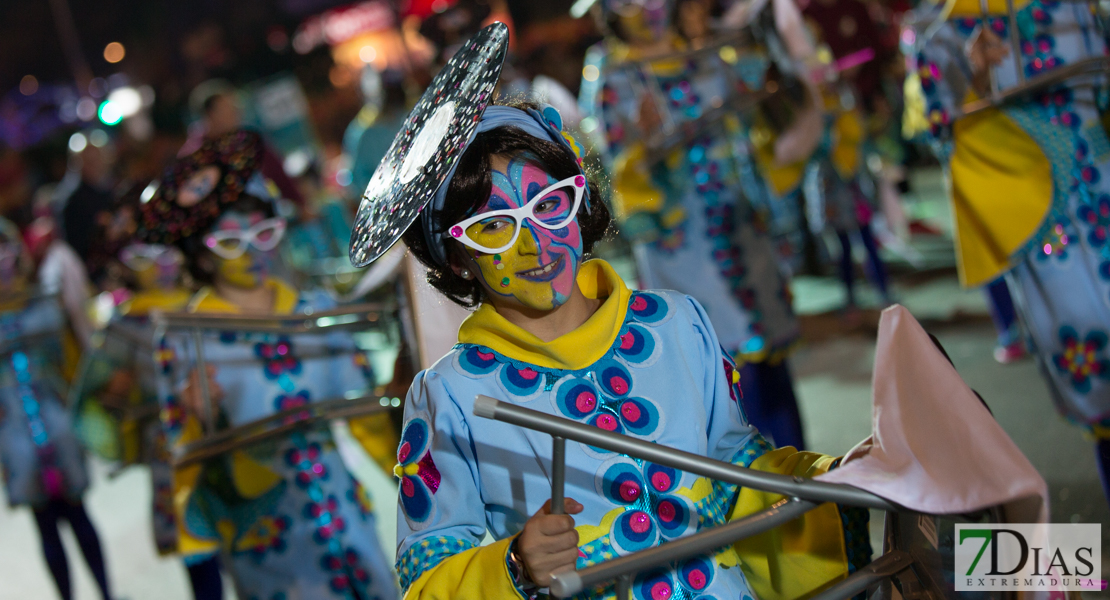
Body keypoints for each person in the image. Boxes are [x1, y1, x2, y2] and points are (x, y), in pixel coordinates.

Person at [348, 33, 869, 592]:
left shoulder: (677, 324)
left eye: (549, 205)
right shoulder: (447, 396)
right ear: (456, 259)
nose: (537, 243)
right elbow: (426, 577)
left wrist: (832, 477)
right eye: (494, 227)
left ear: (579, 201)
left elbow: (740, 474)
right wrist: (515, 567)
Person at [139, 130, 399, 600]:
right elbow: (180, 457)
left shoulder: (314, 310)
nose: (253, 251)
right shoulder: (184, 338)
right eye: (229, 240)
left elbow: (370, 420)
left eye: (262, 232)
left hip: (347, 521)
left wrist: (421, 486)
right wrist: (198, 423)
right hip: (266, 546)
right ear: (200, 250)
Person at [906, 0, 1110, 502]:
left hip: (1102, 192)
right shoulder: (945, 35)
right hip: (1042, 230)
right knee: (1102, 393)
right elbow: (938, 129)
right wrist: (969, 76)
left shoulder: (1077, 9)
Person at [580, 0, 808, 449]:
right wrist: (642, 148)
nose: (649, 9)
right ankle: (757, 488)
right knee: (720, 363)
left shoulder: (711, 50)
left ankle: (802, 471)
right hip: (679, 244)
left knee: (771, 353)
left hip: (740, 223)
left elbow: (766, 113)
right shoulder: (610, 71)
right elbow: (615, 165)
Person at [0, 217, 114, 600]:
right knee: (45, 525)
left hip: (58, 426)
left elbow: (74, 362)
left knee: (79, 516)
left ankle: (107, 593)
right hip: (15, 438)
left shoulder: (44, 302)